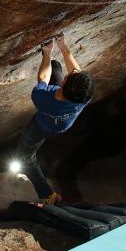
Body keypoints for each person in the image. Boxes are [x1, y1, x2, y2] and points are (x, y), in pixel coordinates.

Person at [15, 33, 94, 204]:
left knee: (24, 156)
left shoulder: (42, 99)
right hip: (62, 123)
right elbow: (76, 71)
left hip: (43, 125)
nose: (68, 75)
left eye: (67, 78)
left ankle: (47, 194)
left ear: (63, 84)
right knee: (56, 66)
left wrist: (47, 52)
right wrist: (63, 46)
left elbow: (42, 78)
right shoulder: (84, 96)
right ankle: (53, 61)